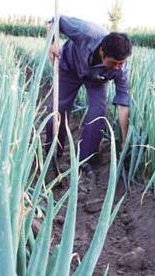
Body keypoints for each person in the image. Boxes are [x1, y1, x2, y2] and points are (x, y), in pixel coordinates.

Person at [46, 15, 132, 177]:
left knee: (98, 112)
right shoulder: (87, 33)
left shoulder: (121, 69)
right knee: (59, 107)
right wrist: (52, 44)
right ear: (102, 52)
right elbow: (55, 20)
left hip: (97, 80)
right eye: (114, 63)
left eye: (122, 63)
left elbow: (123, 104)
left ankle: (85, 160)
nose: (119, 67)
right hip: (70, 67)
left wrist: (124, 139)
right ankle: (52, 153)